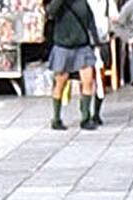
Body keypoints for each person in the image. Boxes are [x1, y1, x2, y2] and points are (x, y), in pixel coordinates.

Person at [47, 0, 100, 129]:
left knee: (88, 81)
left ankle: (86, 117)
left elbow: (90, 21)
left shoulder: (82, 2)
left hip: (82, 46)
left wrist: (96, 41)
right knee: (60, 82)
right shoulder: (58, 3)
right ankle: (56, 118)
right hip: (63, 46)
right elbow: (50, 12)